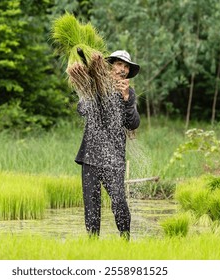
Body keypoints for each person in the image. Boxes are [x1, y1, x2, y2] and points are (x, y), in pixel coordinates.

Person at [75, 50, 140, 240]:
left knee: (119, 201)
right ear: (110, 66)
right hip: (90, 156)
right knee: (91, 204)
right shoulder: (95, 85)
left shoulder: (129, 93)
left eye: (126, 67)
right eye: (119, 64)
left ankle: (125, 239)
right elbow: (82, 109)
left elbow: (133, 123)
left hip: (114, 158)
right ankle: (93, 243)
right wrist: (91, 88)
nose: (123, 69)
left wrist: (127, 98)